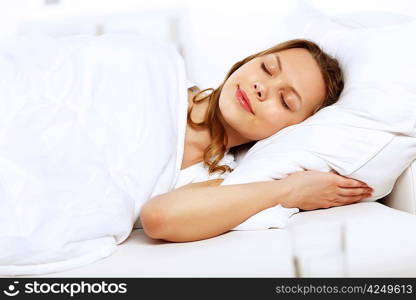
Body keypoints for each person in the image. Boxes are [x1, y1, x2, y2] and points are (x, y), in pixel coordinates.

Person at [140, 39, 373, 242]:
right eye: (267, 68)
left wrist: (288, 190)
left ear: (290, 131)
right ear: (247, 61)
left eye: (285, 101)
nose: (261, 87)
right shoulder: (158, 74)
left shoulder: (215, 179)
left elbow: (159, 217)